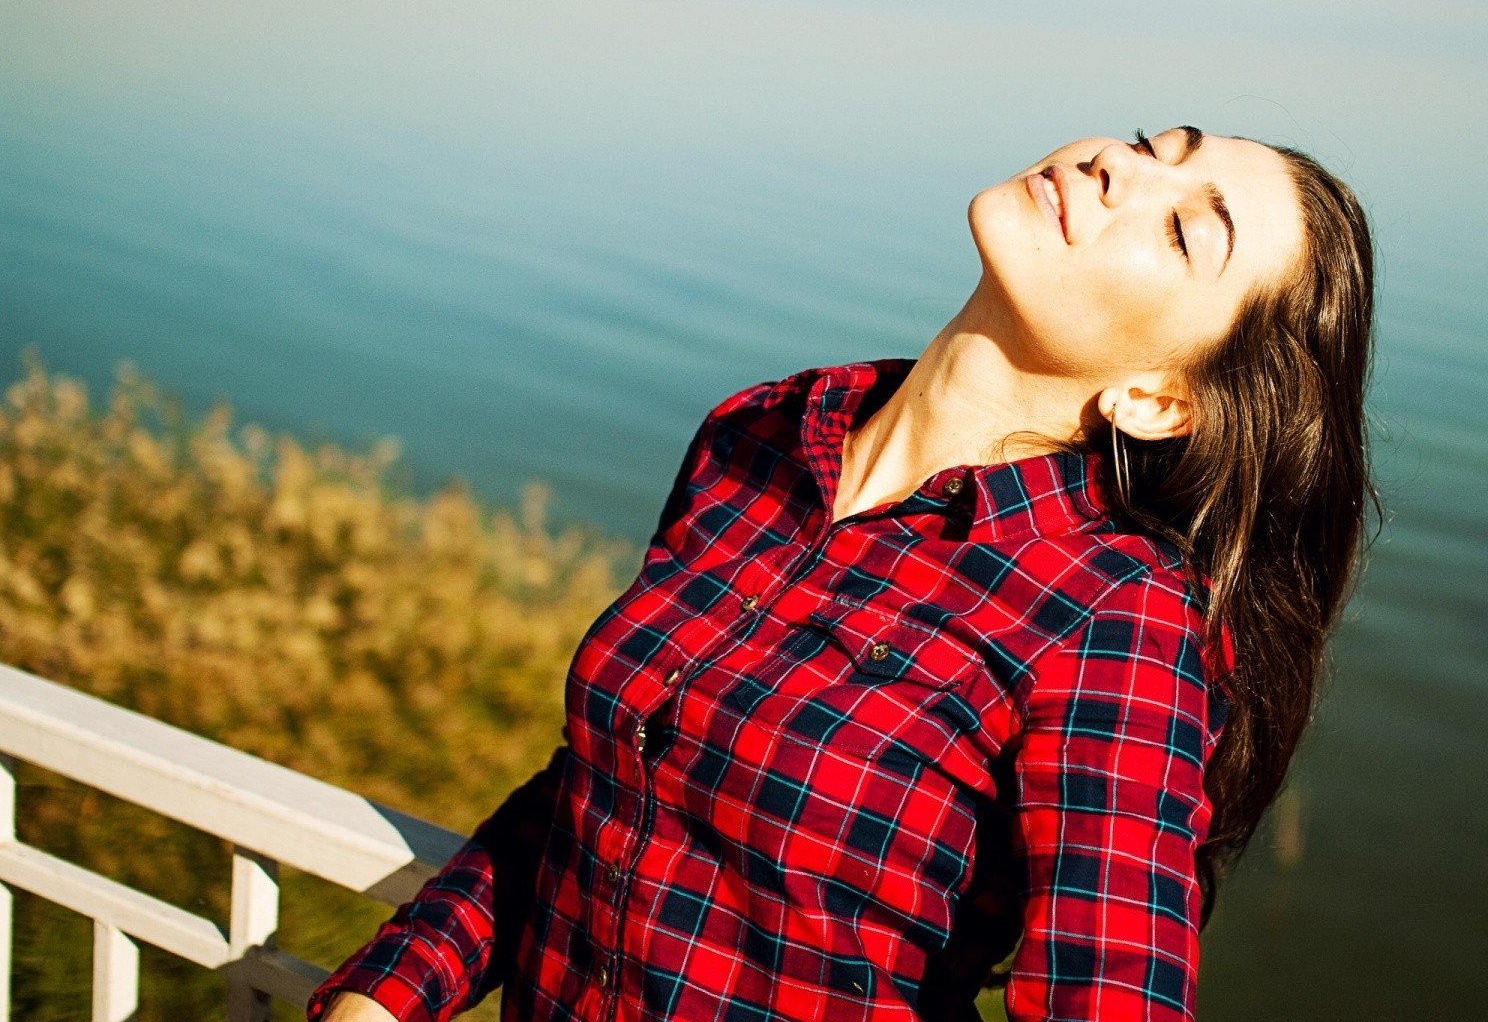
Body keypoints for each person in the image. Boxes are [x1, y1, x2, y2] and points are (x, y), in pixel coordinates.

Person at [310, 125, 1376, 1022]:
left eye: (1185, 227)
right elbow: (596, 794)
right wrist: (387, 994)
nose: (1118, 168)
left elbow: (1108, 993)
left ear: (1156, 401)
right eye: (1153, 144)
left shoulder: (1116, 621)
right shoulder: (763, 435)